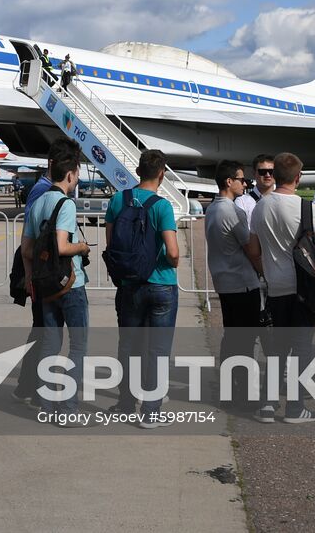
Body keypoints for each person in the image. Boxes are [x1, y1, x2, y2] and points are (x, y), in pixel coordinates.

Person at [247, 152, 315, 424]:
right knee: (302, 348)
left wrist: (266, 270)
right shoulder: (307, 208)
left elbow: (254, 249)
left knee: (277, 349)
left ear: (275, 175)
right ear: (297, 178)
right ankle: (295, 407)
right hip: (304, 287)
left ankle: (268, 404)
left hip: (275, 286)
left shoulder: (260, 207)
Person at [106, 149, 181, 427]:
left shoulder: (118, 200)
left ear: (138, 172)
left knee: (129, 346)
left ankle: (126, 402)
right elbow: (172, 252)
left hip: (129, 285)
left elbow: (112, 243)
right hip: (161, 284)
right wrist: (170, 260)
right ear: (161, 174)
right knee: (157, 350)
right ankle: (150, 411)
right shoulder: (162, 206)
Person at [22, 142, 91, 414]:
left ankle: (47, 403)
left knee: (50, 345)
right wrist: (83, 247)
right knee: (78, 347)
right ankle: (69, 407)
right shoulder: (66, 204)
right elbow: (62, 246)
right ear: (71, 175)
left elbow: (26, 249)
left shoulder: (38, 201)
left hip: (45, 284)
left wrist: (29, 279)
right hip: (70, 284)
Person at [205, 160, 264, 411]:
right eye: (242, 179)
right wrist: (264, 273)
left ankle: (229, 391)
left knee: (232, 339)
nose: (245, 184)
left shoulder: (212, 209)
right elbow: (251, 249)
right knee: (245, 342)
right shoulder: (233, 211)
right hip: (242, 284)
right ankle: (244, 394)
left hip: (224, 282)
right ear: (229, 182)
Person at [235, 155, 275, 227]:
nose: (267, 175)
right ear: (254, 173)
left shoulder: (284, 200)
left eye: (271, 171)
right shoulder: (242, 202)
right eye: (262, 171)